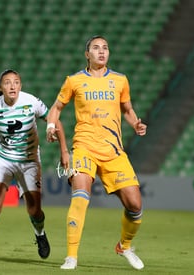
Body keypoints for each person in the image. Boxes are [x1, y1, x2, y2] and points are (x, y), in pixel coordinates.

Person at [46, 35, 147, 270]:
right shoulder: (74, 81)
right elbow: (57, 107)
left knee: (135, 205)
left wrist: (135, 124)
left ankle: (124, 245)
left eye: (105, 48)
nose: (101, 52)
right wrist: (51, 126)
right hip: (84, 147)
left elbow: (128, 109)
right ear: (87, 54)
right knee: (80, 197)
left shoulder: (120, 81)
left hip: (113, 150)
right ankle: (71, 256)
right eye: (96, 48)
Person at [0, 69, 69, 261]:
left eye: (16, 82)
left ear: (20, 85)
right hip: (3, 160)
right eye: (7, 83)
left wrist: (64, 151)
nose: (12, 86)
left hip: (29, 161)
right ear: (0, 87)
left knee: (34, 209)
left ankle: (40, 235)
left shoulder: (31, 102)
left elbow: (54, 120)